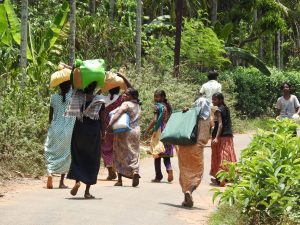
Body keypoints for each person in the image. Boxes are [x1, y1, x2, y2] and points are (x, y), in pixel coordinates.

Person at [65, 81, 105, 199]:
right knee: (92, 159)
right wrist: (103, 133)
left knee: (78, 156)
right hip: (93, 132)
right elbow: (102, 120)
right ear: (94, 88)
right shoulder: (99, 100)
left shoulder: (78, 97)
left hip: (79, 130)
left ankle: (77, 181)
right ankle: (87, 191)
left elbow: (74, 84)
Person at [177, 96, 211, 208]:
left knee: (184, 172)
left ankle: (186, 197)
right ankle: (190, 191)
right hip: (197, 149)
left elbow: (181, 126)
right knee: (197, 173)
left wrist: (186, 112)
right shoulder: (208, 119)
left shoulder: (190, 113)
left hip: (184, 147)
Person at [107, 88, 142, 187]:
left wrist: (110, 125)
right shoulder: (138, 105)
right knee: (134, 152)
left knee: (119, 153)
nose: (124, 95)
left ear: (132, 96)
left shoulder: (126, 104)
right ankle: (135, 171)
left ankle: (119, 180)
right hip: (135, 131)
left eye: (126, 94)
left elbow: (118, 114)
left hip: (124, 131)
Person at [100, 73, 132, 180]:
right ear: (119, 89)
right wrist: (123, 77)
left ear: (108, 90)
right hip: (119, 127)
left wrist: (102, 86)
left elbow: (95, 95)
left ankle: (110, 171)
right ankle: (118, 173)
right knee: (117, 149)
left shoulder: (103, 99)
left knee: (105, 148)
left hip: (106, 127)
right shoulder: (123, 98)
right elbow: (132, 89)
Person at [44, 80, 75, 189]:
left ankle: (50, 172)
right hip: (68, 130)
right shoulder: (72, 97)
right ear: (70, 86)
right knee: (66, 155)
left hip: (55, 129)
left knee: (51, 151)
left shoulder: (53, 98)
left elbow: (50, 116)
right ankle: (61, 182)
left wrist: (51, 127)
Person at [144, 90, 173, 183]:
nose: (156, 99)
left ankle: (158, 176)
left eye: (158, 97)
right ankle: (169, 169)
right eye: (155, 97)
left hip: (160, 131)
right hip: (168, 130)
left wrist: (147, 130)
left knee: (157, 155)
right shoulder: (168, 106)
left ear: (163, 97)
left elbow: (155, 120)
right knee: (166, 154)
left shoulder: (157, 107)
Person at [210, 92, 237, 187]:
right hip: (228, 136)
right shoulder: (226, 109)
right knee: (227, 156)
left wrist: (216, 137)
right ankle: (226, 177)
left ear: (220, 100)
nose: (213, 101)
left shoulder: (218, 110)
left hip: (221, 136)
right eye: (212, 99)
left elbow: (220, 125)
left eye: (215, 99)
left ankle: (222, 178)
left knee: (220, 157)